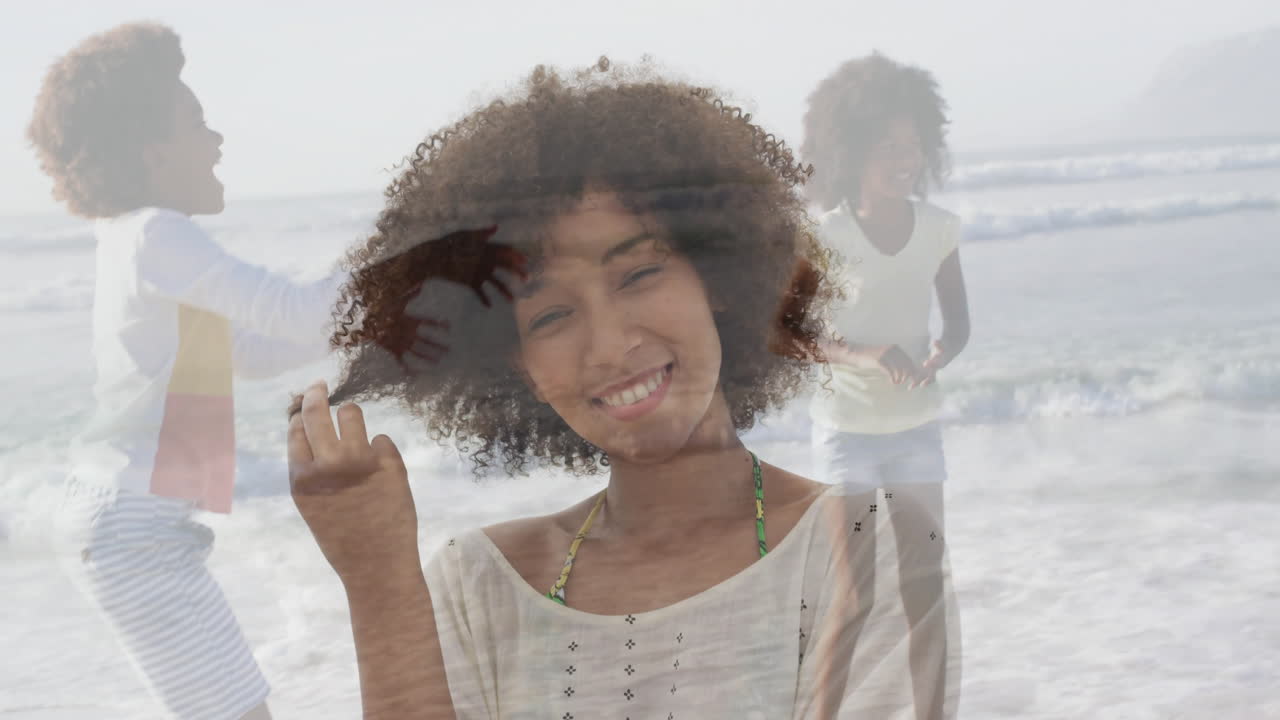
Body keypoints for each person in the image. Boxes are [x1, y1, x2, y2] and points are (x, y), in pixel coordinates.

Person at [288, 58, 959, 719]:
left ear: (719, 277)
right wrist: (379, 584)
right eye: (550, 316)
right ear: (517, 364)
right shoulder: (478, 585)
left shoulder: (873, 548)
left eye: (638, 274)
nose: (608, 346)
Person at [28, 22, 344, 719]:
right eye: (197, 121)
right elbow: (293, 311)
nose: (218, 139)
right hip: (132, 529)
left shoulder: (135, 239)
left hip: (128, 523)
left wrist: (373, 336)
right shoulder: (153, 233)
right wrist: (405, 256)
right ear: (151, 151)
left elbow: (253, 352)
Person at [800, 51, 971, 712]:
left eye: (914, 146)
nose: (906, 158)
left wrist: (938, 356)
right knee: (856, 596)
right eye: (889, 147)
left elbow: (956, 324)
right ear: (851, 152)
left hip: (917, 435)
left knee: (927, 588)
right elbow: (791, 332)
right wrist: (867, 354)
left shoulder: (938, 230)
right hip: (847, 437)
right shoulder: (826, 237)